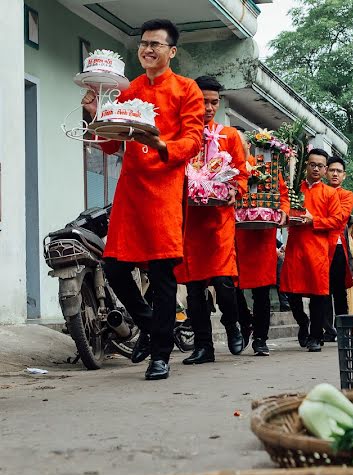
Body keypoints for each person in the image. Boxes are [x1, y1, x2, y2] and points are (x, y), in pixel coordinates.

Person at [81, 19, 204, 381]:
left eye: (156, 44)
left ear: (172, 52)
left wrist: (163, 145)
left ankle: (161, 355)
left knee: (163, 274)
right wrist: (94, 116)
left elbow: (194, 139)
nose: (148, 50)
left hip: (165, 188)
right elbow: (111, 142)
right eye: (143, 44)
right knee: (115, 266)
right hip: (131, 189)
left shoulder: (187, 89)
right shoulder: (129, 88)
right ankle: (152, 327)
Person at [175, 75, 248, 365]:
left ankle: (233, 324)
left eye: (213, 102)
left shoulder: (229, 136)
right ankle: (204, 346)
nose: (207, 107)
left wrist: (235, 190)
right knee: (193, 288)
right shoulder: (183, 134)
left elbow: (242, 173)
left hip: (218, 220)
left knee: (223, 281)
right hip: (190, 221)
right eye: (202, 101)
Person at [280, 148, 343, 352]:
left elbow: (337, 220)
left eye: (320, 166)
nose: (316, 169)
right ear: (305, 165)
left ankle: (315, 336)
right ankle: (302, 322)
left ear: (325, 170)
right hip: (296, 246)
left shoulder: (330, 193)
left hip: (318, 249)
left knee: (318, 294)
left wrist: (313, 219)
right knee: (290, 291)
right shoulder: (294, 188)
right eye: (312, 164)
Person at [234, 134, 289, 357]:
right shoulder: (223, 166)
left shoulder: (266, 165)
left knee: (261, 291)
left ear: (248, 145)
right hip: (234, 235)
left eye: (238, 143)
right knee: (230, 286)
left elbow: (282, 194)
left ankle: (260, 338)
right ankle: (245, 324)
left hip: (262, 236)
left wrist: (284, 210)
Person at [323, 155, 353, 341]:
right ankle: (327, 329)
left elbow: (340, 219)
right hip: (319, 248)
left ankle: (343, 328)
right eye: (332, 170)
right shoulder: (319, 190)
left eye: (339, 171)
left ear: (344, 175)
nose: (335, 174)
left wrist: (318, 219)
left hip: (337, 247)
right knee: (322, 291)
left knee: (338, 290)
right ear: (326, 172)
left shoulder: (346, 195)